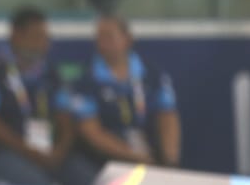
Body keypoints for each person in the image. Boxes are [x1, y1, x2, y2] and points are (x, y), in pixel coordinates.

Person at [0, 5, 99, 185]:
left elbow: (66, 117)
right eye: (36, 36)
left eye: (46, 37)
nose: (43, 43)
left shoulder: (50, 74)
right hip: (5, 153)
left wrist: (59, 151)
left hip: (49, 151)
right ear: (16, 35)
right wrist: (30, 152)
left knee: (88, 182)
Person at [69, 15, 181, 167]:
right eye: (99, 37)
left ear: (128, 39)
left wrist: (170, 159)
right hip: (103, 160)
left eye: (109, 36)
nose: (103, 43)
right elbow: (91, 131)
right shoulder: (85, 80)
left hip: (150, 154)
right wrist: (135, 157)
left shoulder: (152, 75)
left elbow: (167, 116)